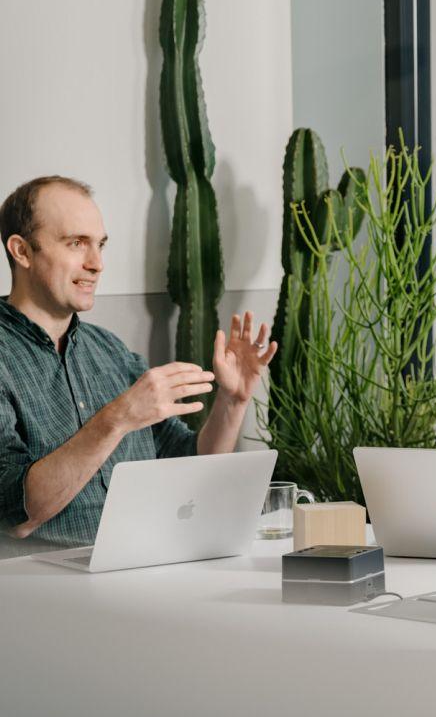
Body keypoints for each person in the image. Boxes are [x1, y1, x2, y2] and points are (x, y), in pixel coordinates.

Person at [0, 175, 277, 546]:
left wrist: (232, 401)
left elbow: (188, 467)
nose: (96, 263)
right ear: (22, 251)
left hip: (140, 570)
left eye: (100, 244)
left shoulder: (110, 351)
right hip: (43, 589)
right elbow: (13, 513)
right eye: (76, 243)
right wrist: (117, 418)